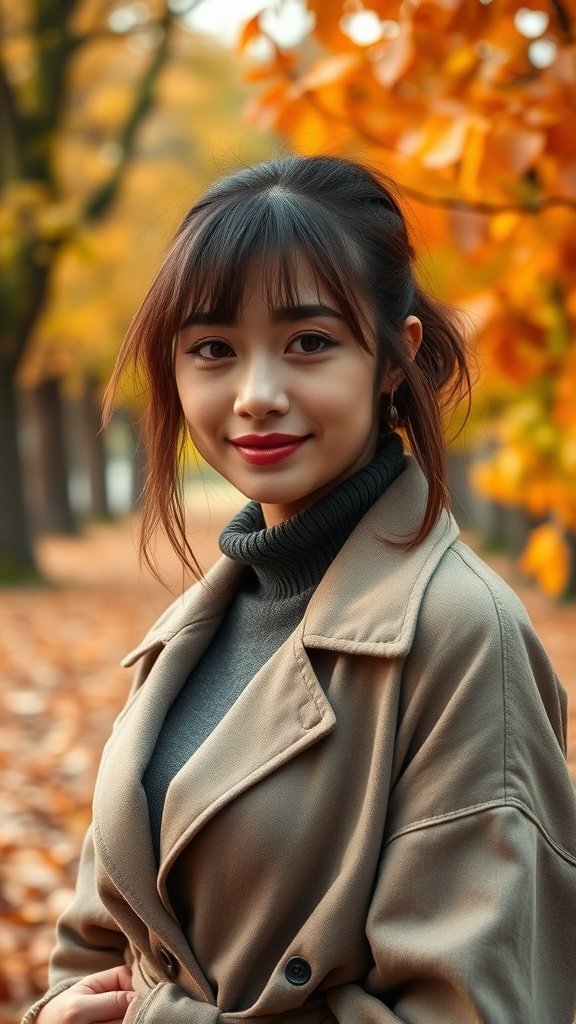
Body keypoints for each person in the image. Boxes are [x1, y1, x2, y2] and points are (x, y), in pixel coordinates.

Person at [23, 154, 576, 1024]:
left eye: (309, 343)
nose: (256, 395)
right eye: (213, 350)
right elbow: (99, 945)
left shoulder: (463, 638)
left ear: (394, 358)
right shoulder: (188, 633)